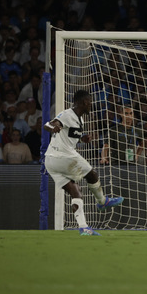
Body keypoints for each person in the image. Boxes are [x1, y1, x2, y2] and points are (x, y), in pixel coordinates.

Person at [44, 89, 124, 236]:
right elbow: (48, 124)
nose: (91, 105)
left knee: (75, 192)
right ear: (84, 102)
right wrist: (52, 127)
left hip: (51, 161)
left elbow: (70, 134)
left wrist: (82, 138)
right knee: (92, 174)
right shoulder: (67, 114)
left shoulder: (80, 119)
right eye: (90, 102)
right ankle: (102, 201)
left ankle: (84, 228)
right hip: (63, 156)